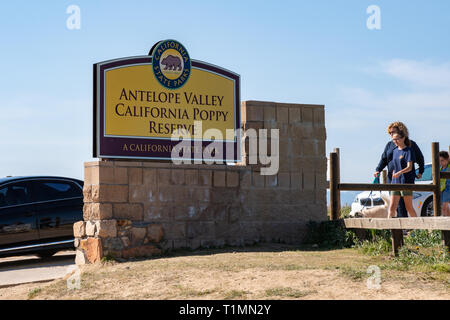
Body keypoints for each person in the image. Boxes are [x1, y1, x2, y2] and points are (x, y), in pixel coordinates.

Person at [374, 122, 424, 217]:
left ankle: (406, 228)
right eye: (390, 133)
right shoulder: (390, 145)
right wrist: (378, 170)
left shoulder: (411, 145)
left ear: (401, 133)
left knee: (405, 205)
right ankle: (394, 229)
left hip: (406, 178)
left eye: (393, 132)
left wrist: (421, 171)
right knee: (393, 206)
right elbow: (384, 159)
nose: (392, 135)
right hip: (392, 178)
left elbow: (420, 158)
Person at [388, 132, 417, 218]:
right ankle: (390, 230)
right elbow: (395, 165)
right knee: (392, 207)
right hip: (395, 182)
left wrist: (399, 172)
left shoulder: (408, 151)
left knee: (408, 207)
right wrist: (394, 172)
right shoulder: (395, 151)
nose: (395, 141)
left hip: (406, 182)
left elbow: (409, 167)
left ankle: (418, 229)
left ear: (403, 138)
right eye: (393, 139)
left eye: (397, 139)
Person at [440, 151, 450, 216]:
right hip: (442, 190)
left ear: (447, 159)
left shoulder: (449, 167)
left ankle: (445, 224)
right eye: (439, 161)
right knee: (445, 208)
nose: (441, 162)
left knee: (444, 208)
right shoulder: (440, 168)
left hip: (448, 189)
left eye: (442, 160)